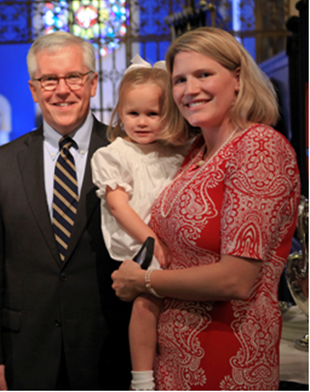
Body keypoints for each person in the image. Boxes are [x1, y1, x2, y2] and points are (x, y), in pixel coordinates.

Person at [111, 27, 300, 390]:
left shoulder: (258, 146)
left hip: (226, 356)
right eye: (179, 79)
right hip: (171, 362)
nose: (190, 89)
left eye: (203, 74)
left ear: (238, 78)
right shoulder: (196, 153)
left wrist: (144, 281)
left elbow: (236, 279)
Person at [0, 31, 132, 390]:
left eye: (73, 77)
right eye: (49, 80)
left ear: (92, 83)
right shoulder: (1, 164)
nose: (62, 90)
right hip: (25, 353)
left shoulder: (126, 154)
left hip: (110, 348)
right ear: (34, 90)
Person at [91, 57, 191, 390]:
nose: (142, 122)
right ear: (120, 113)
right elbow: (118, 206)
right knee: (147, 302)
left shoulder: (178, 152)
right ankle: (142, 378)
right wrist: (152, 241)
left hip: (175, 243)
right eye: (133, 113)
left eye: (153, 114)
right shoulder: (115, 154)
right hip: (140, 245)